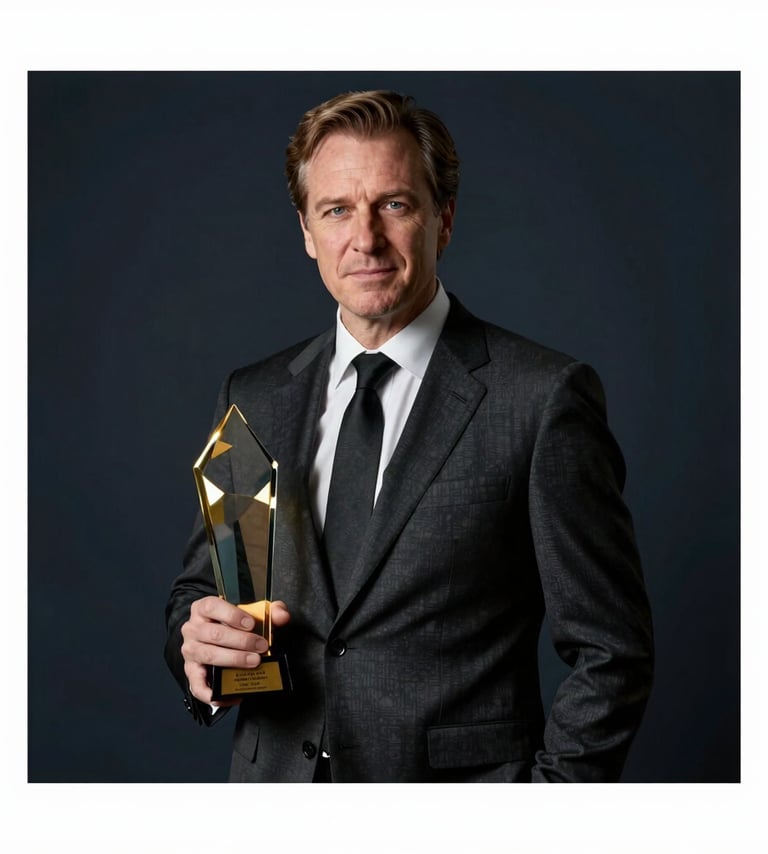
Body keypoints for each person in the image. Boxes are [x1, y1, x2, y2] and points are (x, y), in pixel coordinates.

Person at [164, 89, 654, 783]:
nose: (364, 239)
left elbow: (613, 651)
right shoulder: (255, 398)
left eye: (393, 204)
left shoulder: (540, 399)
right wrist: (197, 649)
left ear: (443, 219)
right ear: (306, 231)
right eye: (336, 210)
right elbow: (205, 590)